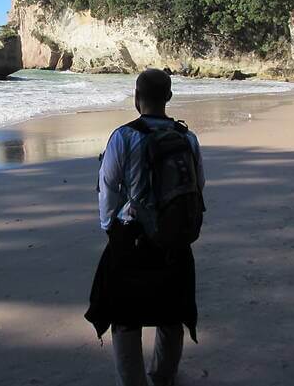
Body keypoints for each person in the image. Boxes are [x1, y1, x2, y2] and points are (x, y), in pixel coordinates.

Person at [85, 68, 205, 386]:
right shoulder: (187, 138)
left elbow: (108, 186)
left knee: (124, 318)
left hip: (132, 236)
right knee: (172, 312)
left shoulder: (123, 136)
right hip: (175, 236)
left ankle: (134, 381)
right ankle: (163, 375)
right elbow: (198, 185)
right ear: (168, 97)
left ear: (137, 98)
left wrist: (109, 226)